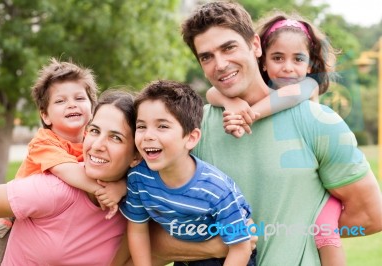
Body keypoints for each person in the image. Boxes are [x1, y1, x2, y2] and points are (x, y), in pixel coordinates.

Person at [149, 2, 382, 265]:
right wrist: (220, 245)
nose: (221, 64)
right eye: (206, 57)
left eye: (229, 48)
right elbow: (150, 236)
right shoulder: (189, 131)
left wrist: (301, 234)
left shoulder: (318, 121)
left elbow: (370, 216)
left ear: (256, 46)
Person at [206, 11, 345, 265]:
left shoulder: (307, 87)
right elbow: (211, 92)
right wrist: (230, 101)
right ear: (263, 61)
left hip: (322, 196)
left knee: (325, 231)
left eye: (298, 59)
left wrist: (248, 115)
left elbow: (288, 97)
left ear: (310, 65)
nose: (288, 67)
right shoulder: (264, 92)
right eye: (278, 58)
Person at [0, 58, 122, 265]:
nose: (71, 104)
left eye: (79, 98)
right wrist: (103, 190)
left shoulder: (91, 142)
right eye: (60, 101)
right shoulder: (44, 142)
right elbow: (68, 171)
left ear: (92, 108)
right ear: (45, 115)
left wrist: (120, 187)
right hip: (13, 222)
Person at [119, 80, 256, 266]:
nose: (148, 135)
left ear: (191, 138)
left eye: (162, 126)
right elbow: (137, 230)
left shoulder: (216, 190)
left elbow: (242, 247)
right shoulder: (139, 177)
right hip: (186, 257)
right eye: (142, 126)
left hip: (228, 257)